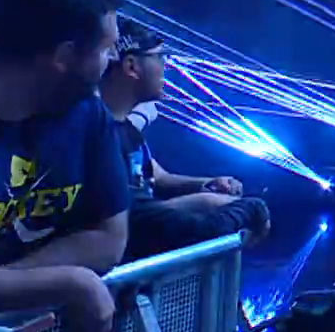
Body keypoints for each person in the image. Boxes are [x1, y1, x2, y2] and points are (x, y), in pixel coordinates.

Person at [0, 0, 127, 332]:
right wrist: (66, 281)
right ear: (64, 56)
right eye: (106, 49)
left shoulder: (87, 114)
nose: (115, 60)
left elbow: (108, 238)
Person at [100, 20, 270, 259]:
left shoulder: (126, 130)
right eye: (160, 57)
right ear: (131, 66)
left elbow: (157, 177)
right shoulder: (99, 137)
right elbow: (141, 222)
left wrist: (205, 184)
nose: (166, 67)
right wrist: (244, 209)